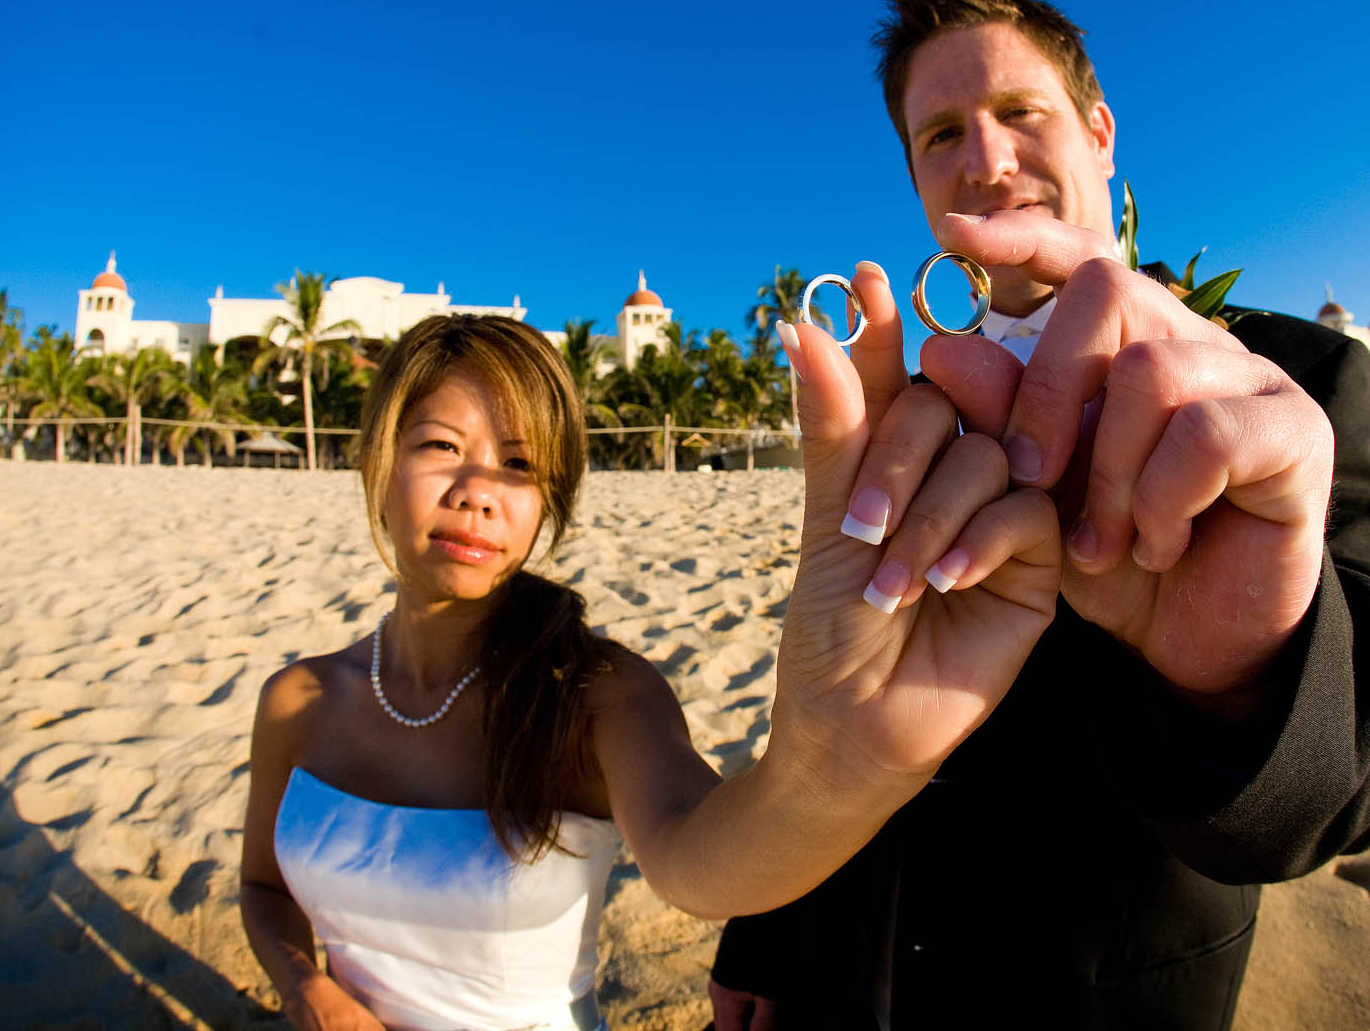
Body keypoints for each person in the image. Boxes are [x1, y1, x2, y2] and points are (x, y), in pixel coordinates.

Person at [709, 0, 1370, 1029]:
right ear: (916, 179)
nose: (987, 159)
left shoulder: (1293, 379)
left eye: (1020, 112)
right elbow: (832, 701)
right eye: (942, 135)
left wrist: (1240, 663)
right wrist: (768, 921)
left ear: (1100, 133)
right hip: (861, 974)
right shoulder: (902, 409)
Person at [239, 312, 1069, 1031]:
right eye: (441, 446)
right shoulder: (298, 700)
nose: (479, 491)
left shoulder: (590, 696)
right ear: (379, 463)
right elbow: (262, 887)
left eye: (520, 465)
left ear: (549, 501)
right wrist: (305, 986)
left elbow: (700, 863)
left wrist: (848, 765)